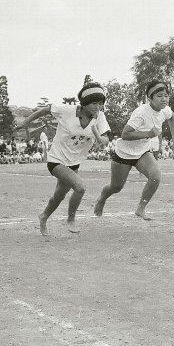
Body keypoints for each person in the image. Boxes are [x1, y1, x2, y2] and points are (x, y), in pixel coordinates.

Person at [16, 82, 110, 235]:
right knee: (80, 187)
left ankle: (44, 216)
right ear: (85, 103)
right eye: (94, 103)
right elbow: (46, 110)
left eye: (100, 103)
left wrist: (101, 139)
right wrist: (26, 122)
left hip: (74, 163)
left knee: (58, 196)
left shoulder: (100, 117)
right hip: (56, 160)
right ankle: (71, 219)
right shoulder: (68, 111)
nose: (97, 107)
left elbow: (106, 138)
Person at [93, 80, 174, 221]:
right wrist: (148, 134)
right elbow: (125, 134)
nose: (164, 99)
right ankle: (102, 198)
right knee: (116, 187)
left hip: (142, 152)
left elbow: (172, 117)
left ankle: (140, 208)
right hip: (124, 153)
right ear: (150, 98)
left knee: (155, 176)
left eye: (166, 95)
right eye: (159, 96)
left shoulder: (165, 109)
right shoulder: (141, 113)